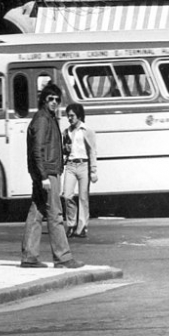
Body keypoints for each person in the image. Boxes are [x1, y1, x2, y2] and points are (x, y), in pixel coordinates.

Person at [21, 83, 84, 269]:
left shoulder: (47, 118)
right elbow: (37, 150)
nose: (55, 103)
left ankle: (29, 256)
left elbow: (44, 148)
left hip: (46, 171)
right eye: (51, 99)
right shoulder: (43, 119)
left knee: (37, 212)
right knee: (55, 214)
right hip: (47, 173)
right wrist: (43, 177)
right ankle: (63, 258)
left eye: (57, 100)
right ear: (44, 100)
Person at [62, 103, 98, 239]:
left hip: (84, 165)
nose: (69, 119)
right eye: (68, 116)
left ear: (79, 116)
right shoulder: (66, 132)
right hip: (71, 166)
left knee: (83, 198)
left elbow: (92, 151)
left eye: (72, 116)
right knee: (67, 195)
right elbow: (65, 151)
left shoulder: (87, 130)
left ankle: (82, 227)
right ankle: (71, 224)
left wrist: (93, 170)